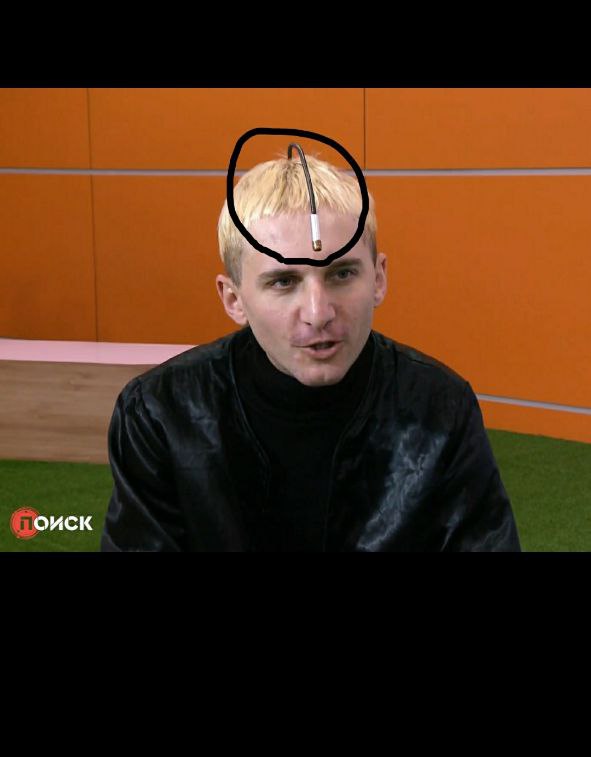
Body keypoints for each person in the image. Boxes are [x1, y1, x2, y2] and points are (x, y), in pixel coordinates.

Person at [101, 150, 521, 552]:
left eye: (342, 273)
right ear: (234, 299)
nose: (318, 314)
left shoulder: (440, 408)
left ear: (378, 279)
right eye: (283, 282)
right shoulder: (160, 414)